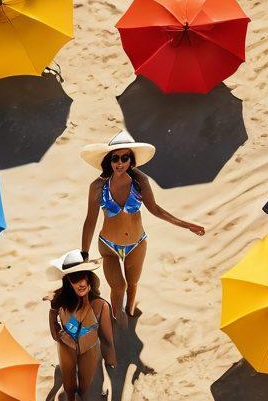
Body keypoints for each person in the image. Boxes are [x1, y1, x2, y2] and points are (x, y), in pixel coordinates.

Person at [80, 130, 205, 318]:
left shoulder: (140, 181)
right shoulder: (97, 186)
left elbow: (156, 210)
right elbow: (90, 220)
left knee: (132, 284)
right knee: (118, 286)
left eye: (125, 158)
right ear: (109, 160)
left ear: (131, 160)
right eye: (115, 158)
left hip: (137, 244)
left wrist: (186, 224)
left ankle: (129, 312)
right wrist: (84, 252)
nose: (120, 163)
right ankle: (117, 320)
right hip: (108, 246)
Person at [46, 250, 115, 401]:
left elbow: (107, 339)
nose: (80, 283)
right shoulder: (59, 301)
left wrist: (110, 360)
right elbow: (55, 331)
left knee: (85, 383)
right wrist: (63, 337)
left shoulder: (101, 306)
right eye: (74, 279)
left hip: (89, 348)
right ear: (68, 281)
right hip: (65, 347)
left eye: (83, 277)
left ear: (89, 277)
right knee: (69, 384)